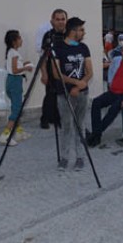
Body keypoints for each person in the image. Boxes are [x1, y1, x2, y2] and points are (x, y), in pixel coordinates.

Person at [52, 17, 93, 171]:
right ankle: (64, 157)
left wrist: (83, 82)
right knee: (67, 125)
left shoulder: (83, 48)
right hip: (65, 93)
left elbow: (89, 71)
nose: (83, 32)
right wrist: (75, 84)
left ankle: (80, 157)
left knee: (80, 124)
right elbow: (56, 73)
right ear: (73, 31)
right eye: (81, 29)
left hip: (82, 92)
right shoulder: (58, 48)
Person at [86, 42, 123, 147]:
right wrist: (110, 82)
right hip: (113, 91)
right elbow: (111, 70)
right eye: (122, 51)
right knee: (96, 102)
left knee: (114, 108)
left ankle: (95, 135)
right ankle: (96, 134)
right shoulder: (117, 60)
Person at [0, 30, 34, 146]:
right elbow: (14, 70)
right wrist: (26, 68)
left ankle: (18, 132)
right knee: (17, 109)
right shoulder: (14, 53)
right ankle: (5, 135)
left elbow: (13, 67)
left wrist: (24, 64)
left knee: (16, 106)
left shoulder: (11, 52)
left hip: (11, 81)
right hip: (15, 82)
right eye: (19, 38)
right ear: (14, 42)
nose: (21, 40)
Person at [38, 9, 67, 129]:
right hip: (51, 72)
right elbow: (43, 56)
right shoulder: (48, 36)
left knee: (66, 96)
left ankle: (61, 119)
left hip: (67, 72)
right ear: (52, 21)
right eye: (58, 19)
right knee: (50, 96)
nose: (60, 22)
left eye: (63, 19)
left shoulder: (70, 35)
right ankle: (45, 119)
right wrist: (44, 73)